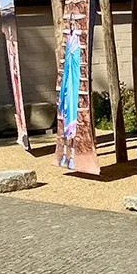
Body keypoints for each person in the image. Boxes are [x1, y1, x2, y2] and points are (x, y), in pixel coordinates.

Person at [57, 25, 81, 170]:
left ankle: (72, 155)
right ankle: (66, 154)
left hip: (73, 86)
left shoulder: (75, 47)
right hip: (68, 87)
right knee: (67, 123)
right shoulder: (68, 46)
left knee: (71, 124)